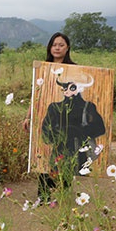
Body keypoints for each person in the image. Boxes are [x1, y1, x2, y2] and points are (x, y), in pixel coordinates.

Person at [24, 32, 76, 200]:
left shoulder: (74, 69)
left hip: (67, 121)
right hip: (47, 119)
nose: (57, 48)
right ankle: (43, 195)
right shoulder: (42, 68)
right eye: (54, 45)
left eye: (61, 45)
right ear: (50, 47)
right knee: (45, 156)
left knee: (65, 156)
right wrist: (28, 117)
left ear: (67, 48)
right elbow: (35, 95)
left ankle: (65, 192)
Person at [40, 71, 106, 190]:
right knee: (54, 173)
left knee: (71, 174)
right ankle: (47, 196)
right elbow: (45, 130)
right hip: (60, 147)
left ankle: (64, 197)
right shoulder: (55, 107)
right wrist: (61, 134)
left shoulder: (88, 107)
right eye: (65, 87)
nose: (67, 90)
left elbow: (100, 128)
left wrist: (79, 131)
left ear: (79, 88)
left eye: (72, 87)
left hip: (79, 149)